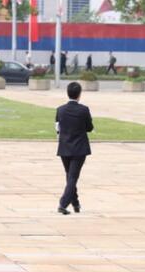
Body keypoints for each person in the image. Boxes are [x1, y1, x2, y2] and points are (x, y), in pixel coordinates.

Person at [54, 81, 93, 216]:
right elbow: (89, 127)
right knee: (72, 177)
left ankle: (75, 203)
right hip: (79, 148)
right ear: (79, 95)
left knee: (70, 176)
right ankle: (63, 203)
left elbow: (57, 128)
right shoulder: (83, 110)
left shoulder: (60, 110)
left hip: (64, 147)